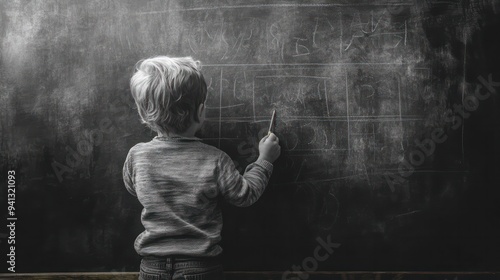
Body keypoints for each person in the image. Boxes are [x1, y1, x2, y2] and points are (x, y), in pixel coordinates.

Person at [123, 56, 281, 280]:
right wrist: (265, 159)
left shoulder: (136, 157)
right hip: (199, 267)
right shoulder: (215, 160)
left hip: (151, 267)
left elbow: (132, 188)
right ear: (199, 111)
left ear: (144, 113)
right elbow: (244, 195)